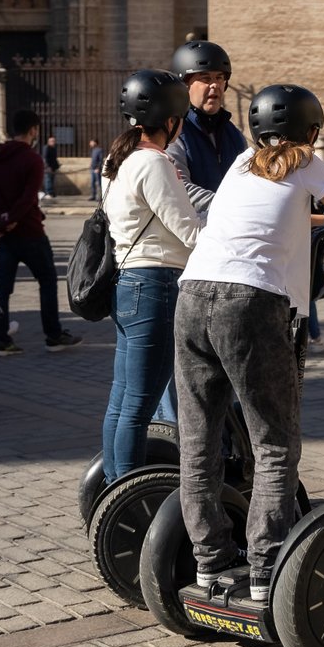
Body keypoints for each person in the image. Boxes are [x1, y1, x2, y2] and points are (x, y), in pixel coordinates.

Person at [176, 85, 324, 602]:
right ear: (310, 130)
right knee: (275, 443)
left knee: (199, 442)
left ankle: (209, 566)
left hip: (193, 293)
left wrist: (321, 221)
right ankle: (265, 571)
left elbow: (268, 211)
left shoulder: (242, 162)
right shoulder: (308, 162)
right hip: (250, 301)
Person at [99, 71, 201, 482]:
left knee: (122, 400)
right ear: (172, 120)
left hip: (127, 283)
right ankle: (126, 498)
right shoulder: (154, 163)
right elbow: (190, 230)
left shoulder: (117, 160)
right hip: (156, 284)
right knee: (139, 405)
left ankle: (112, 485)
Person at [0, 109, 82, 356]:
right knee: (47, 282)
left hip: (5, 236)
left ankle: (1, 339)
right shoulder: (32, 159)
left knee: (3, 287)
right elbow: (28, 199)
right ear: (33, 130)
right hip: (30, 232)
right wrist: (11, 220)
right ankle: (53, 334)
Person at [164, 39, 248, 213]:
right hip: (191, 233)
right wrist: (228, 206)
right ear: (184, 85)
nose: (215, 85)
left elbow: (248, 183)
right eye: (205, 78)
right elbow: (179, 188)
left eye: (219, 78)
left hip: (231, 230)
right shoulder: (174, 133)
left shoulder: (233, 134)